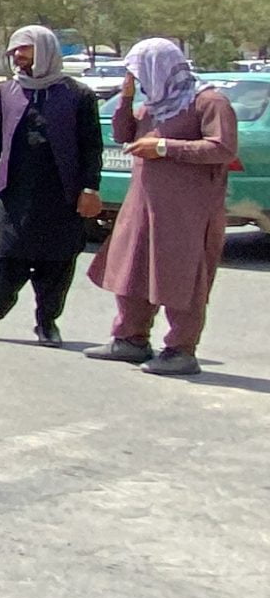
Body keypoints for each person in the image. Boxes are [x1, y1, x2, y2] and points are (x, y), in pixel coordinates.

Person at [0, 25, 102, 346]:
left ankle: (47, 324)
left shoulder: (77, 95)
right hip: (14, 194)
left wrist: (89, 187)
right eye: (14, 50)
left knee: (56, 261)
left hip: (60, 196)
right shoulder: (9, 91)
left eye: (23, 49)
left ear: (44, 50)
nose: (17, 56)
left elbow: (91, 146)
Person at [85, 37, 237, 377]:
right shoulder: (154, 106)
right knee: (132, 271)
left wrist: (166, 147)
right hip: (143, 206)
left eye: (139, 73)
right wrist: (125, 96)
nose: (137, 80)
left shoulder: (208, 101)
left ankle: (181, 350)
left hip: (188, 212)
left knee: (181, 279)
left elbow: (222, 148)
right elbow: (123, 132)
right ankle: (130, 339)